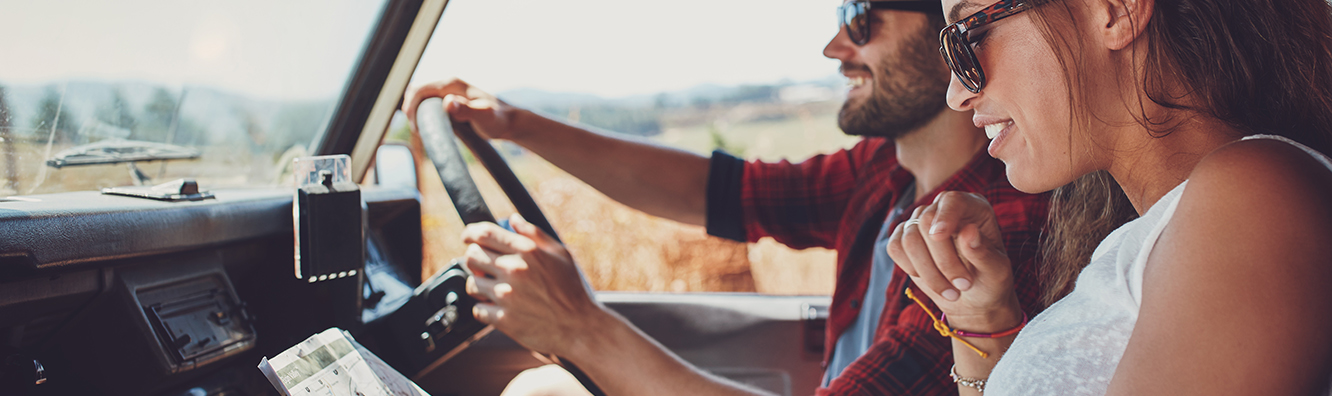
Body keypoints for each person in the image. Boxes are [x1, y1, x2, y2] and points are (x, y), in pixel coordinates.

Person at [402, 1, 1050, 394]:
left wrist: (580, 326)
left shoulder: (991, 230)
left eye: (860, 17)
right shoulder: (884, 172)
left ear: (951, 33)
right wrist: (515, 124)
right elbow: (715, 191)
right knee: (543, 388)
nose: (835, 47)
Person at [888, 0, 1332, 394]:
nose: (957, 94)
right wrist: (983, 320)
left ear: (1116, 10)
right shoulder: (1159, 232)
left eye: (971, 34)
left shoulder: (1250, 201)